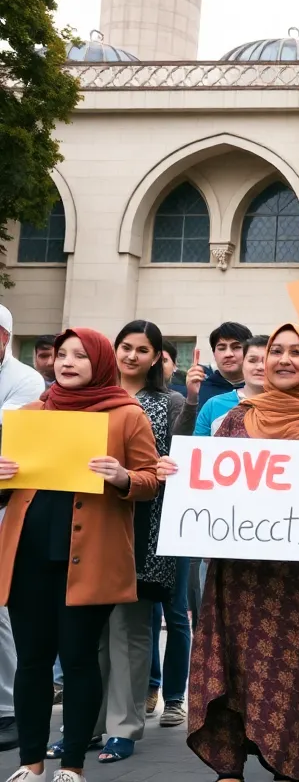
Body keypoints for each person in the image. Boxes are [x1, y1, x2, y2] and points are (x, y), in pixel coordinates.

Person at [163, 322, 299, 782]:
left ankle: (286, 766)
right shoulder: (238, 417)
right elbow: (208, 479)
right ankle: (228, 769)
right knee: (230, 662)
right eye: (277, 351)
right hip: (237, 573)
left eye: (298, 352)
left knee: (292, 672)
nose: (285, 360)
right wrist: (177, 472)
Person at [0, 328, 159, 782]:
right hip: (28, 552)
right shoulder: (31, 413)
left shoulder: (127, 416)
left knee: (78, 658)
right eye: (63, 355)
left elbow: (150, 482)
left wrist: (123, 476)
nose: (67, 363)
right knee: (32, 660)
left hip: (88, 555)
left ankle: (72, 765)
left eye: (81, 356)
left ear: (101, 362)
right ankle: (30, 762)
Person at [81, 321, 181, 765]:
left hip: (144, 523)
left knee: (130, 629)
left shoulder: (170, 403)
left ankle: (123, 727)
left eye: (143, 349)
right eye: (125, 347)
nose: (132, 356)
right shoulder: (90, 401)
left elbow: (184, 462)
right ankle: (89, 723)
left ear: (157, 357)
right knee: (91, 633)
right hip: (91, 523)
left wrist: (168, 468)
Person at [0, 308, 55, 754]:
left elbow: (11, 437)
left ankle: (7, 711)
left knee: (2, 610)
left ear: (5, 337)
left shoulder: (26, 382)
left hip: (8, 505)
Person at [196, 322, 250, 407]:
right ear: (214, 354)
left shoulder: (262, 389)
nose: (228, 354)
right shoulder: (199, 391)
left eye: (236, 347)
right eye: (221, 348)